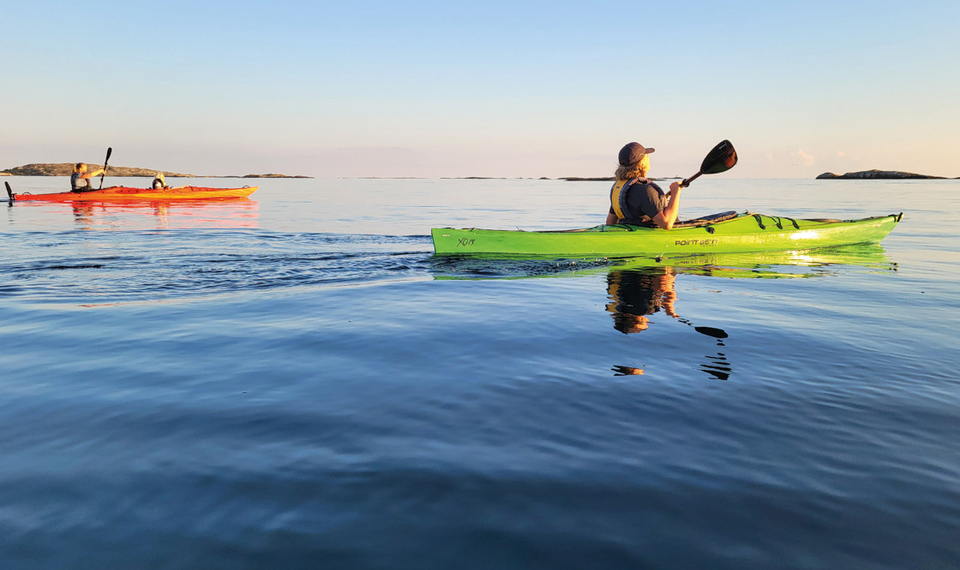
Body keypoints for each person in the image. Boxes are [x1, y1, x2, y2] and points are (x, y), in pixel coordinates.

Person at [605, 142, 683, 229]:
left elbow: (610, 223)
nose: (649, 157)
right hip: (647, 238)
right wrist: (676, 192)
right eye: (646, 156)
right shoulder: (645, 190)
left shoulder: (618, 188)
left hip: (630, 235)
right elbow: (666, 224)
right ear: (641, 163)